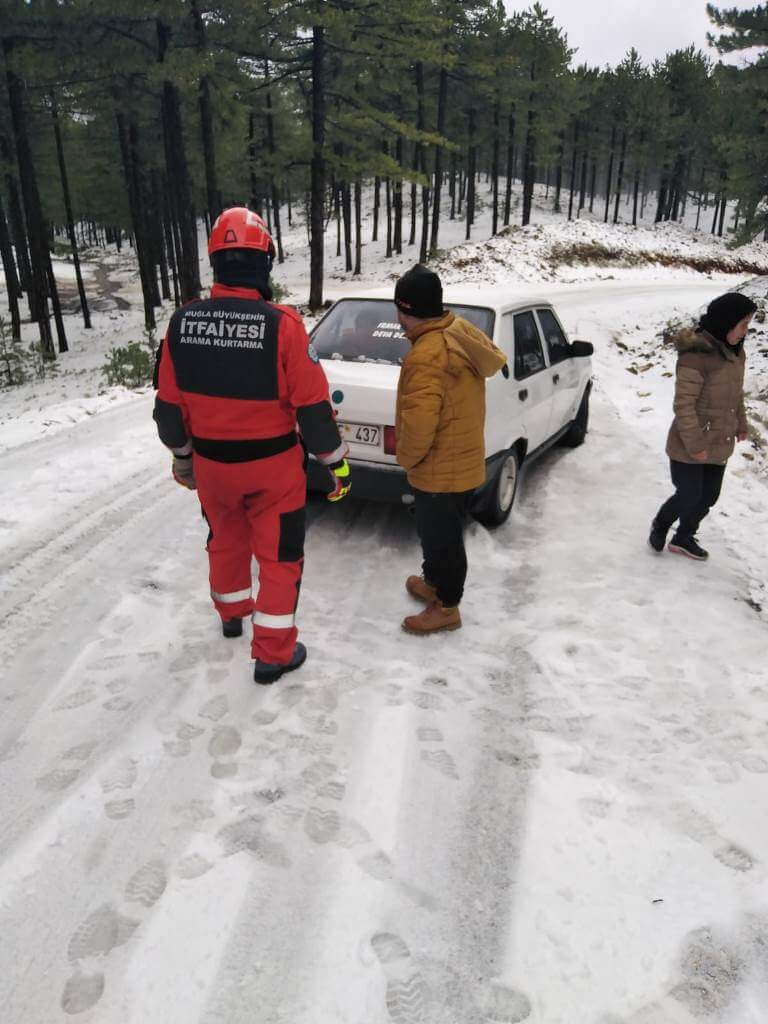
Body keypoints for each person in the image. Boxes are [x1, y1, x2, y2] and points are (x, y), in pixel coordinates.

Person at [153, 207, 350, 683]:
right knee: (280, 557)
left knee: (225, 539)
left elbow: (167, 412)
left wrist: (184, 461)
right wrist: (337, 466)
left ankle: (230, 613)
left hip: (213, 468)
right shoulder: (282, 325)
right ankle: (274, 653)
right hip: (273, 470)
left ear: (216, 262)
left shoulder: (182, 324)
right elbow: (314, 411)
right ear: (264, 264)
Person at [394, 264, 507, 634]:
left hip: (439, 467)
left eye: (400, 309)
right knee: (435, 531)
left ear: (407, 310)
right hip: (458, 460)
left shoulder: (427, 354)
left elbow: (419, 423)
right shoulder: (455, 333)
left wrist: (407, 460)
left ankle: (447, 607)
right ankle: (434, 583)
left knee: (443, 539)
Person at [649, 291, 756, 561]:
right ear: (726, 322)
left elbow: (735, 393)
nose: (746, 331)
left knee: (708, 496)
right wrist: (695, 445)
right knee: (688, 494)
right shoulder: (696, 355)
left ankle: (684, 536)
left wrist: (741, 423)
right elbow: (683, 406)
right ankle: (661, 523)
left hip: (719, 439)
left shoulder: (735, 354)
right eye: (743, 324)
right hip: (690, 442)